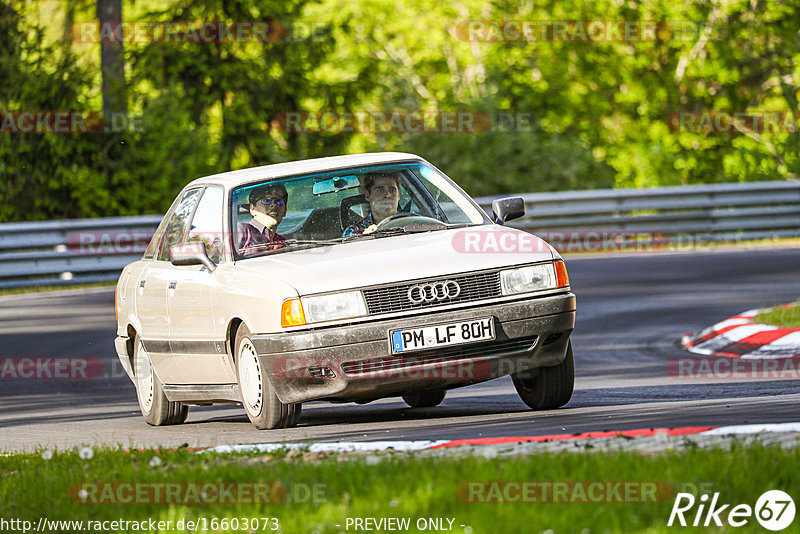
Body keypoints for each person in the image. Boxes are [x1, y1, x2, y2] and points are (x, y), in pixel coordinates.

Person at [342, 172, 400, 237]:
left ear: (399, 196)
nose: (388, 195)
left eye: (392, 190)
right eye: (380, 190)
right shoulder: (353, 231)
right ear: (368, 196)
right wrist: (365, 238)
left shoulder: (411, 223)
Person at [237, 182, 288, 254]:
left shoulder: (281, 241)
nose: (273, 205)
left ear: (285, 211)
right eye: (266, 201)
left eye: (278, 202)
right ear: (253, 209)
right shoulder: (242, 230)